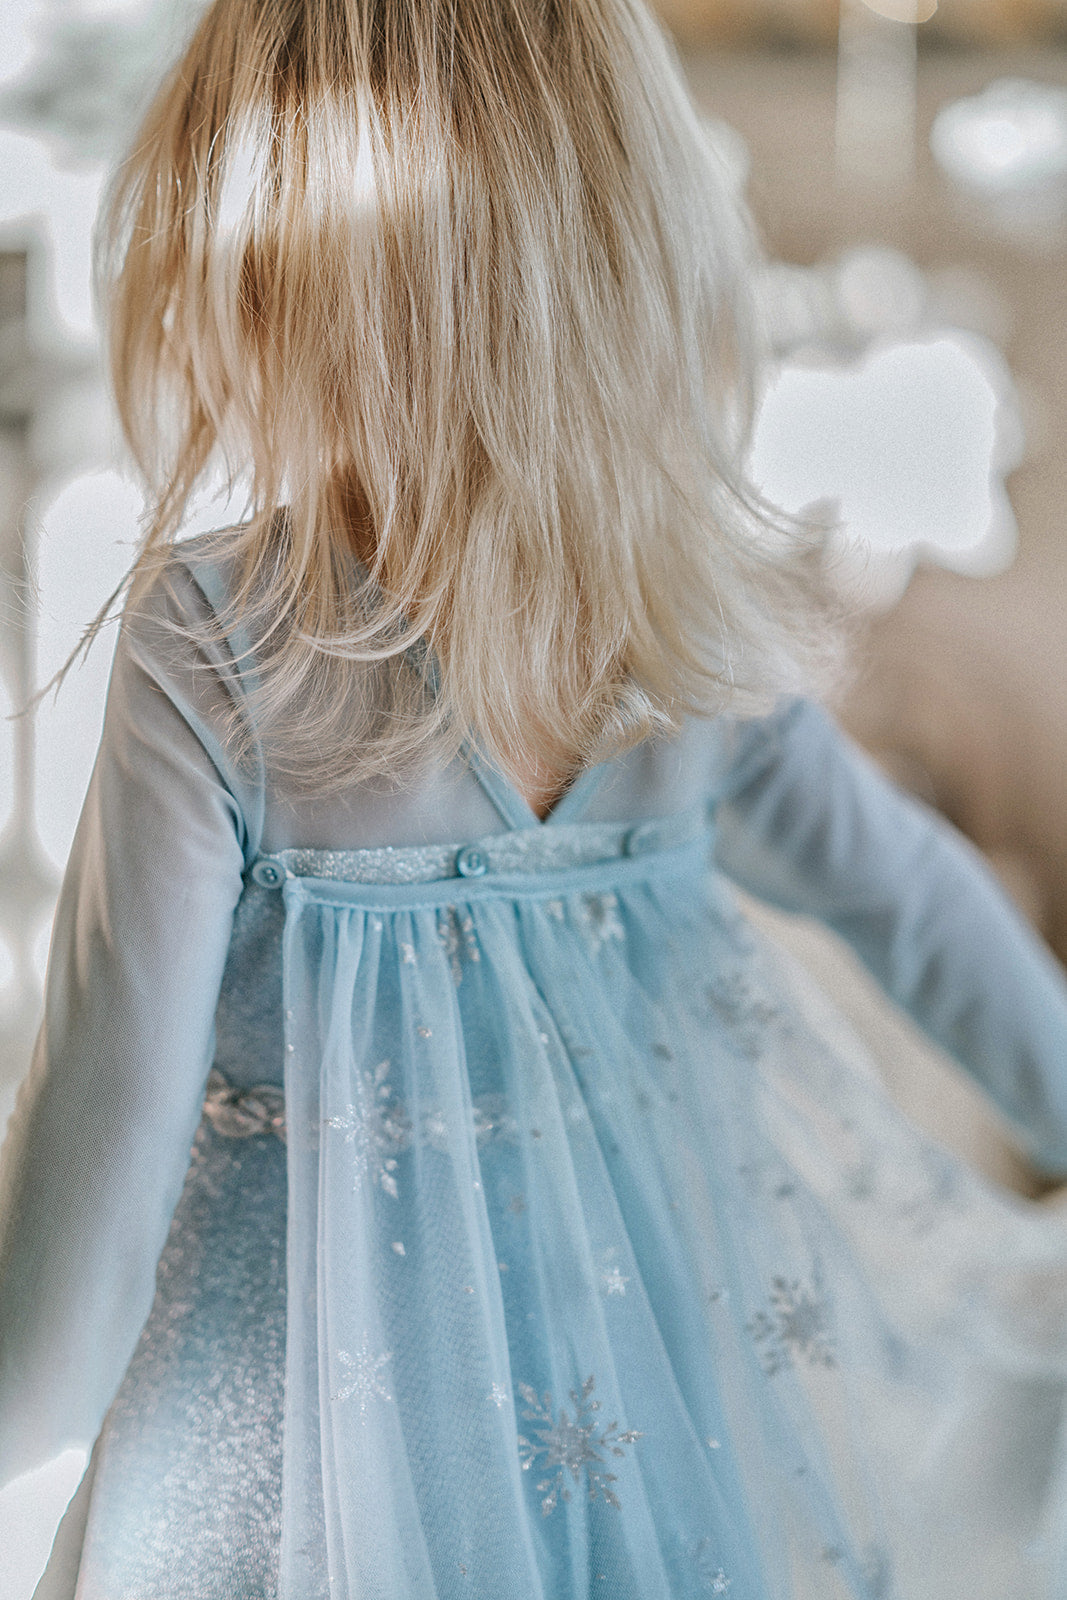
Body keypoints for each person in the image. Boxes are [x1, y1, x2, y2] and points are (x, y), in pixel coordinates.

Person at [5, 0, 1067, 1596]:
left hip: (283, 1505)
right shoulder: (692, 632)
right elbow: (920, 911)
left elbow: (84, 1248)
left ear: (259, 259)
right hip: (635, 1457)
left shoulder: (223, 639)